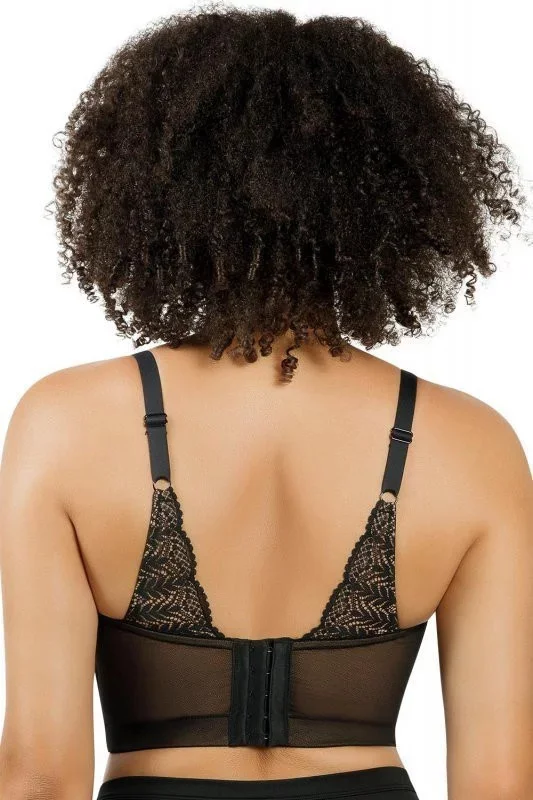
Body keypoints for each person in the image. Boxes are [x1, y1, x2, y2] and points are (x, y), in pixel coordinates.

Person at [0, 6, 532, 800]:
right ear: (391, 201)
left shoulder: (66, 423)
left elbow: (40, 777)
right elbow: (500, 784)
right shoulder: (470, 442)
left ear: (156, 191)